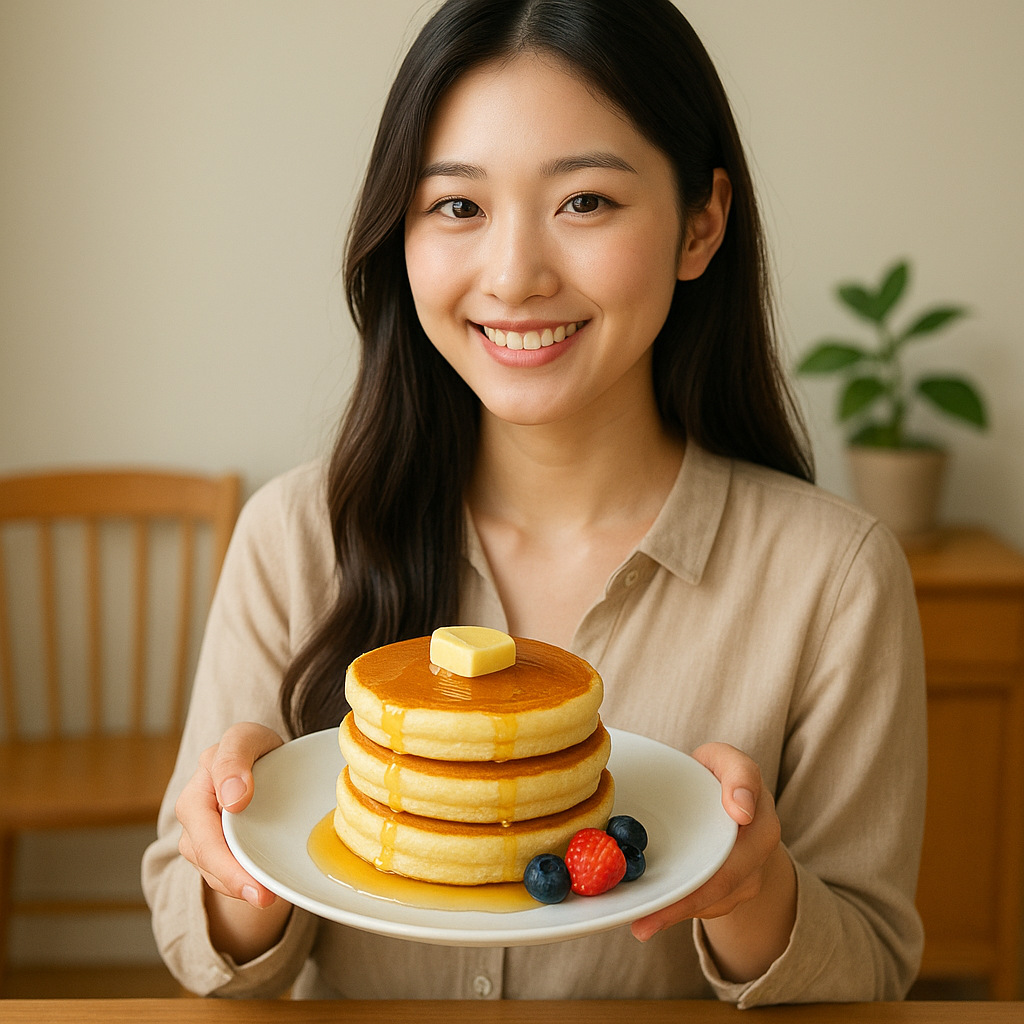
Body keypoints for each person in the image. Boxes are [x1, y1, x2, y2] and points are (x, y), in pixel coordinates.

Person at [142, 0, 926, 1005]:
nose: (513, 276)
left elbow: (871, 969)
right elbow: (192, 937)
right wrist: (239, 857)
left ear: (701, 222)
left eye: (585, 202)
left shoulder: (834, 577)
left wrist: (752, 889)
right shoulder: (296, 538)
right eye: (457, 207)